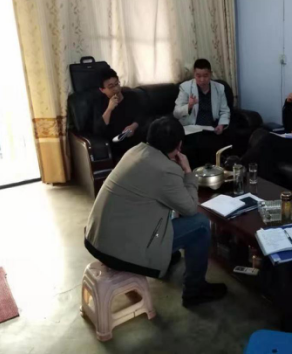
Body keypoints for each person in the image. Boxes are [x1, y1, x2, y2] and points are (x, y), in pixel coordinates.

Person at [84, 117, 227, 307]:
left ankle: (167, 257)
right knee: (200, 225)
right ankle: (195, 290)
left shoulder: (135, 151)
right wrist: (188, 172)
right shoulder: (166, 170)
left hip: (97, 239)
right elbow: (190, 208)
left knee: (165, 209)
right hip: (119, 251)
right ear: (179, 145)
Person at [173, 59, 231, 168]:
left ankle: (213, 173)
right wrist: (189, 106)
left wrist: (221, 125)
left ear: (210, 74)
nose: (202, 80)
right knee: (199, 145)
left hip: (210, 129)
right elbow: (176, 113)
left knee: (215, 144)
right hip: (192, 129)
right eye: (198, 76)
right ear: (194, 74)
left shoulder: (219, 88)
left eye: (205, 76)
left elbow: (225, 110)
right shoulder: (185, 87)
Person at [92, 68, 145, 161]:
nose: (116, 89)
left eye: (117, 84)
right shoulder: (99, 104)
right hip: (117, 145)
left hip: (136, 140)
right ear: (102, 90)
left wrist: (133, 126)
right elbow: (98, 130)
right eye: (111, 87)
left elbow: (141, 115)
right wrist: (109, 109)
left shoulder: (130, 96)